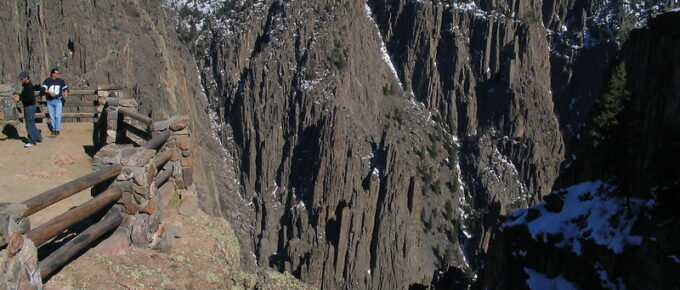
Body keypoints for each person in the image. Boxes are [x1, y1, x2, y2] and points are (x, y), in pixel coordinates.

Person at [13, 72, 44, 147]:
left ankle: (32, 141)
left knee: (29, 124)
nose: (21, 80)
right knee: (31, 123)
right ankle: (38, 137)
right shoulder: (25, 85)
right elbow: (25, 95)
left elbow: (30, 98)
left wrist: (19, 99)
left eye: (22, 78)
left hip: (29, 106)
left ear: (26, 78)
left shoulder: (29, 86)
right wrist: (19, 96)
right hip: (29, 106)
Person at [42, 68, 68, 137]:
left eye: (59, 73)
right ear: (52, 74)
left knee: (57, 116)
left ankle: (57, 130)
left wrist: (65, 93)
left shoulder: (61, 81)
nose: (58, 75)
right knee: (52, 116)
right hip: (50, 101)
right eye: (57, 73)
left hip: (58, 100)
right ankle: (53, 129)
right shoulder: (47, 81)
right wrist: (49, 92)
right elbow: (43, 89)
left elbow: (65, 88)